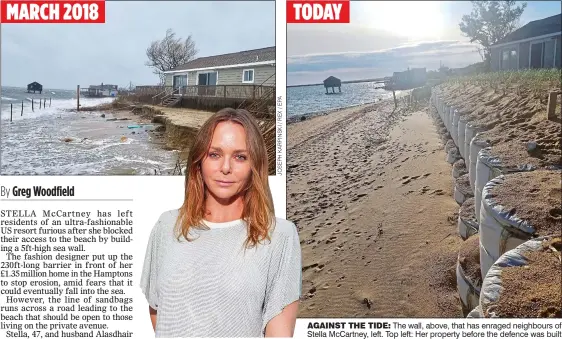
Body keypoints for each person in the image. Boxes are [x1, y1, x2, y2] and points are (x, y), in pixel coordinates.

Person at [140, 108, 301, 337]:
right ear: (199, 161)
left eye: (240, 157)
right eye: (214, 154)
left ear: (254, 165)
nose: (225, 168)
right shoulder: (168, 225)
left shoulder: (280, 236)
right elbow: (159, 312)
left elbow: (279, 334)